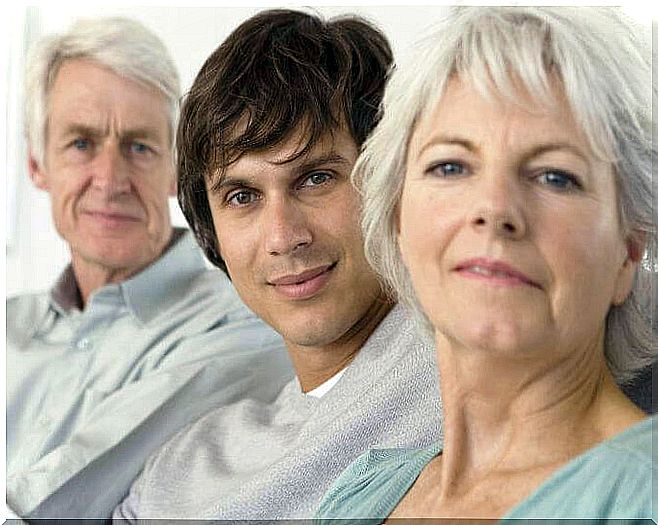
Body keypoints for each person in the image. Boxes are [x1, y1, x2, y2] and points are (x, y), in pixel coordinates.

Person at [316, 6, 656, 520]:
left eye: (556, 177)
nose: (495, 208)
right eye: (450, 166)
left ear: (627, 253)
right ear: (398, 220)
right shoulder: (360, 491)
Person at [113, 9, 442, 520]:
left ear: (390, 182)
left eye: (315, 178)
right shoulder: (182, 470)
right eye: (242, 195)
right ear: (212, 229)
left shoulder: (476, 363)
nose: (283, 236)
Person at [7, 16, 289, 519]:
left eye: (139, 147)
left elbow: (55, 508)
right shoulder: (9, 326)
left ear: (178, 171)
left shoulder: (245, 321)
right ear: (36, 164)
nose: (111, 179)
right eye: (81, 143)